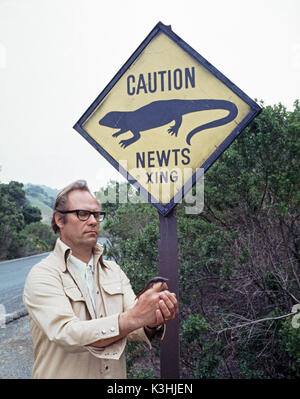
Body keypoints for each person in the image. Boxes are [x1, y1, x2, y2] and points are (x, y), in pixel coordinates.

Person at [23, 180, 178, 379]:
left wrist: (152, 318)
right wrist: (133, 317)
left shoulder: (113, 270)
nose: (94, 221)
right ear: (60, 220)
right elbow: (66, 333)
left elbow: (133, 325)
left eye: (96, 214)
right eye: (83, 214)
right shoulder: (43, 275)